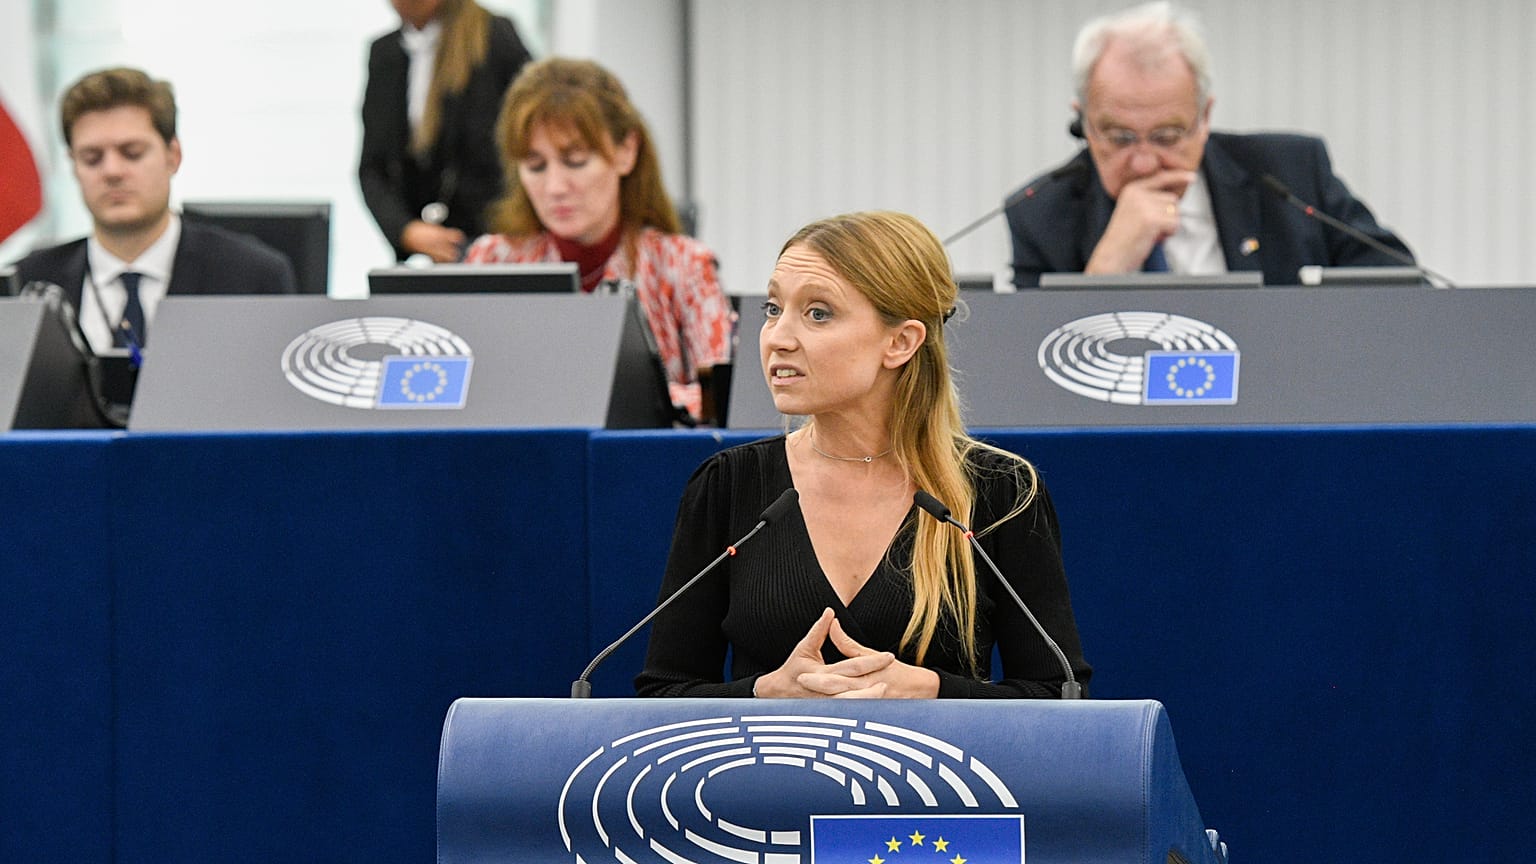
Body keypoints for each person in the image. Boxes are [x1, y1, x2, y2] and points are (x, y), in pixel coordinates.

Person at [635, 211, 1091, 699]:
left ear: (900, 342)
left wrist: (932, 692)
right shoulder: (727, 485)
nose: (778, 338)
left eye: (818, 313)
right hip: (767, 774)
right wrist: (766, 694)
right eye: (773, 308)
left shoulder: (1001, 491)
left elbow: (1061, 695)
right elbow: (663, 693)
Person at [1005, 0, 1414, 288]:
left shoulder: (1289, 175)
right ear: (1084, 122)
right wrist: (1106, 269)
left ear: (1205, 118)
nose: (1145, 162)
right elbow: (1031, 370)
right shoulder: (1041, 213)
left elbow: (1403, 293)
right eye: (1119, 138)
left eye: (1167, 136)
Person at [465, 58, 733, 423]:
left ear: (626, 152)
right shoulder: (490, 261)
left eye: (575, 161)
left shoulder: (685, 264)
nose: (555, 187)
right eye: (536, 166)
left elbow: (724, 398)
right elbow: (467, 396)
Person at [12, 67, 295, 356]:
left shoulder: (252, 277)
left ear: (173, 156)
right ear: (73, 166)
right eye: (92, 158)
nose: (112, 171)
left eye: (132, 153)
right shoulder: (24, 284)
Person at [359, 0, 532, 263]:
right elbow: (372, 166)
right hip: (426, 248)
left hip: (497, 240)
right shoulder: (385, 53)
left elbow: (530, 137)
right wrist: (406, 230)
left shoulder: (493, 36)